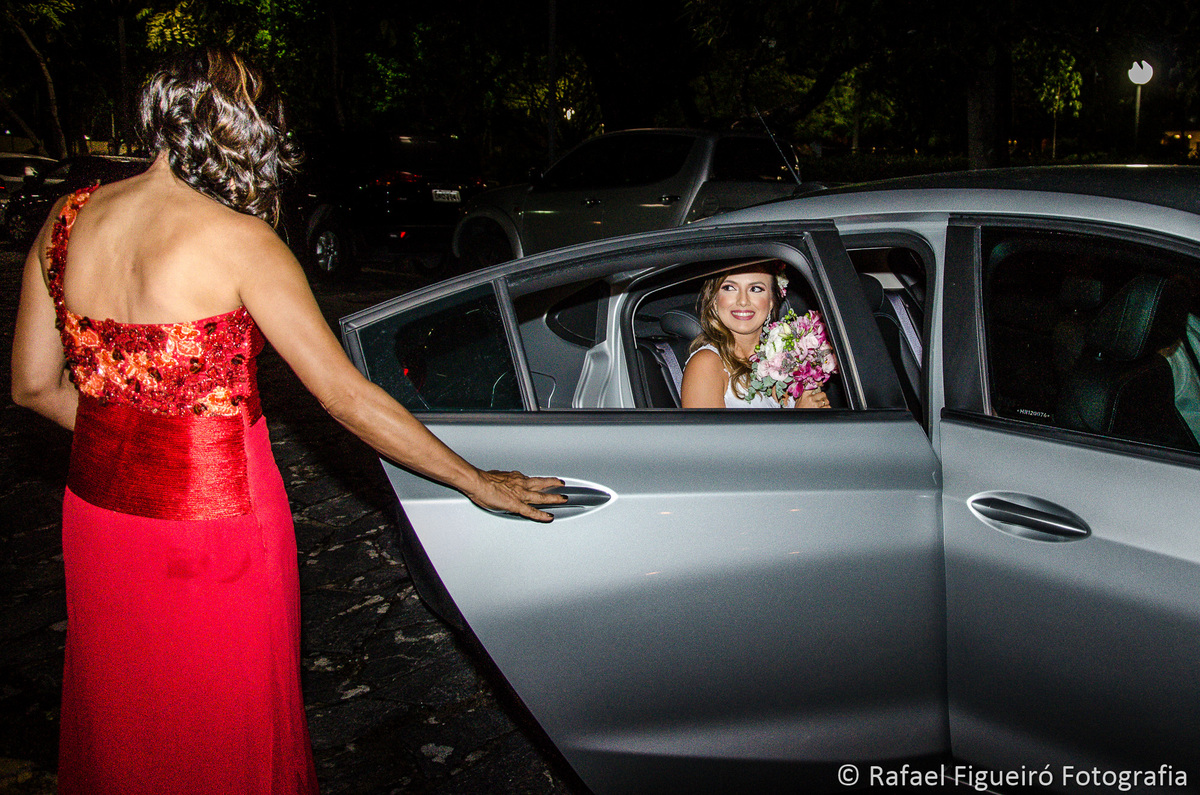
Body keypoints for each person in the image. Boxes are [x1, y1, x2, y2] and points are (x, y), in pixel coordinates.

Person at [9, 49, 564, 795]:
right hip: (218, 532)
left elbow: (32, 387)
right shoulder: (241, 241)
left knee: (126, 720)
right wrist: (474, 480)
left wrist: (132, 446)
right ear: (243, 131)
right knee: (230, 731)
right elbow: (346, 397)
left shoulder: (67, 217)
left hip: (100, 521)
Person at [680, 263, 832, 409]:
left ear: (772, 300)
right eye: (730, 288)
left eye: (756, 289)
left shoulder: (791, 357)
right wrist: (802, 420)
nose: (743, 301)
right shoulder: (706, 364)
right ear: (714, 300)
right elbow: (704, 436)